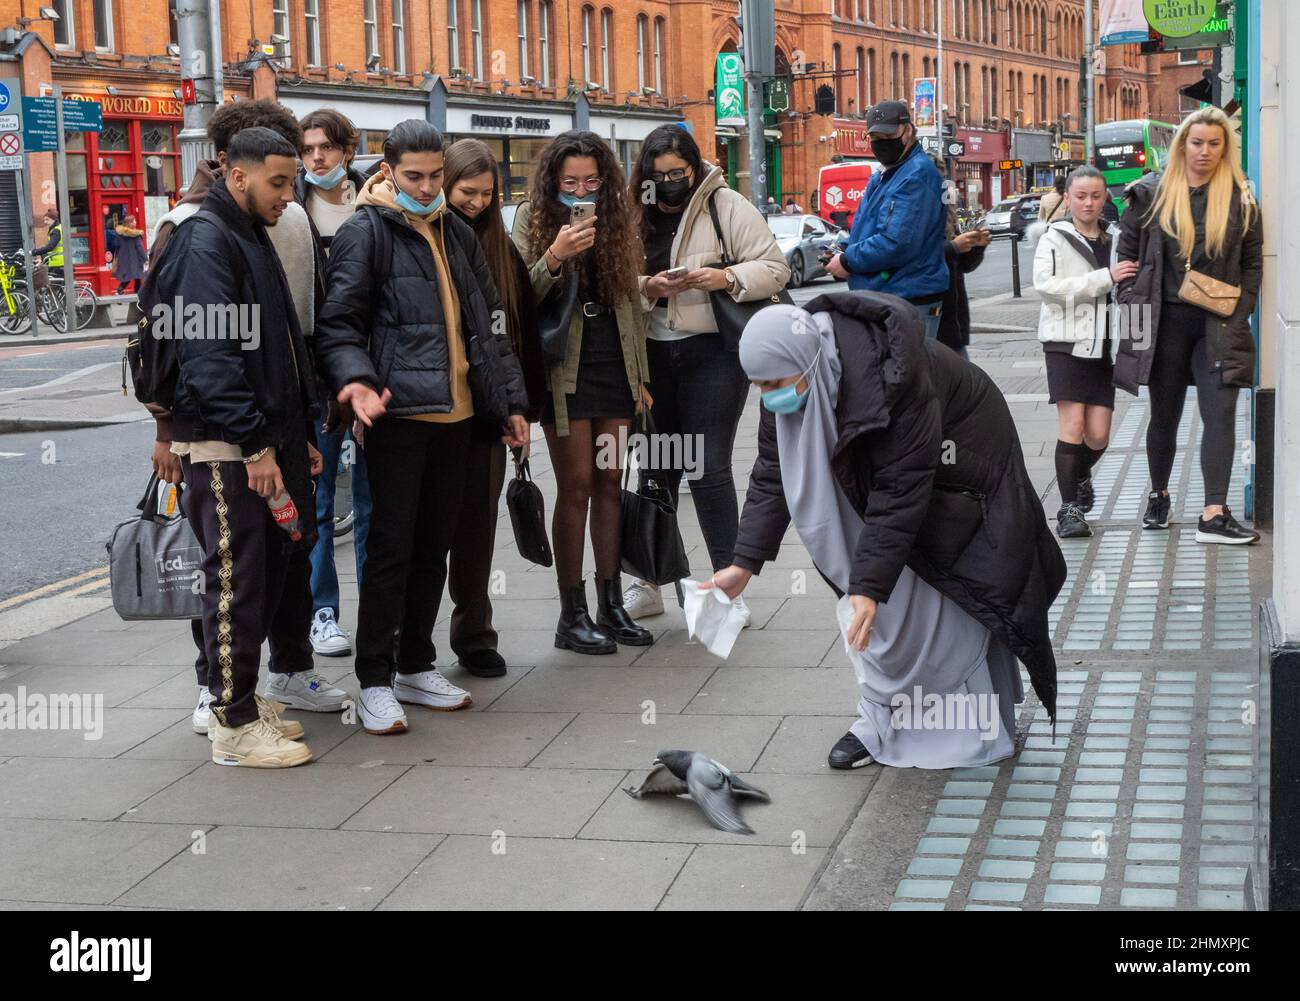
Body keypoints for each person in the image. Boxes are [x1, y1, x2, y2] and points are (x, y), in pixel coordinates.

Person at [705, 296, 1065, 769]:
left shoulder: (892, 376)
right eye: (759, 387)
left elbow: (900, 489)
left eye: (774, 384)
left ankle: (967, 721)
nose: (769, 397)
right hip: (892, 476)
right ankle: (882, 719)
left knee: (943, 595)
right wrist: (743, 563)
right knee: (884, 611)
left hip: (962, 467)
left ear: (807, 360)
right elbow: (772, 471)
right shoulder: (802, 368)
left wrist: (870, 587)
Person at [315, 119, 529, 735]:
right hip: (399, 416)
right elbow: (339, 323)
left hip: (459, 417)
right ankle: (375, 679)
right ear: (388, 171)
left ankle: (414, 663)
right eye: (415, 176)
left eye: (436, 175)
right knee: (390, 550)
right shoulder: (366, 232)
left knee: (434, 547)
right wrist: (355, 380)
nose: (428, 186)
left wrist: (509, 402)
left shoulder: (456, 231)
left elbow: (490, 323)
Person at [145, 99, 347, 728]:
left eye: (293, 183)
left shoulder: (250, 231)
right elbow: (209, 362)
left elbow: (285, 340)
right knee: (235, 581)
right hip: (230, 447)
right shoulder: (205, 239)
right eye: (280, 183)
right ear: (237, 174)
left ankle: (257, 696)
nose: (290, 195)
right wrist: (258, 448)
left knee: (274, 568)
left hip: (273, 434)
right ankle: (231, 717)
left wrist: (297, 433)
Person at [621, 124, 789, 622]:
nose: (670, 182)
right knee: (656, 466)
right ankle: (649, 580)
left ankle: (726, 585)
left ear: (695, 167)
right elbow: (609, 279)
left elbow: (776, 269)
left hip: (713, 352)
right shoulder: (633, 212)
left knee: (708, 468)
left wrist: (726, 277)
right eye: (660, 175)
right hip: (649, 354)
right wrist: (647, 285)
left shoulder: (726, 205)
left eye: (680, 172)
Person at [511, 130, 653, 654]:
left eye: (591, 180)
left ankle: (611, 603)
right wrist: (554, 254)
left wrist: (639, 377)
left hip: (612, 362)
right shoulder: (532, 216)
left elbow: (631, 303)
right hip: (563, 368)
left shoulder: (618, 217)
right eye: (571, 181)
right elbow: (520, 292)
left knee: (611, 480)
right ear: (553, 180)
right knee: (575, 485)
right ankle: (571, 615)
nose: (581, 189)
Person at [1115, 106, 1263, 545]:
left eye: (1214, 144)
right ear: (1182, 145)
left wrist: (1241, 309)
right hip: (1164, 324)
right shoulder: (1151, 193)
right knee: (1165, 415)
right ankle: (1158, 495)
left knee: (1220, 414)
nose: (1204, 151)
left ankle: (1213, 513)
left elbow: (1253, 262)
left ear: (1225, 148)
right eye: (1196, 143)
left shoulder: (1239, 197)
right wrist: (1128, 299)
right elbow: (1125, 255)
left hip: (1217, 323)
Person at [443, 138, 547, 677]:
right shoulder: (428, 238)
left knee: (476, 532)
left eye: (487, 193)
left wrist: (518, 409)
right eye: (468, 191)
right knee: (416, 535)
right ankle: (399, 642)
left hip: (485, 412)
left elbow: (518, 338)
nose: (478, 202)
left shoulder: (501, 250)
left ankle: (474, 635)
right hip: (428, 408)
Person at [295, 108, 374, 660]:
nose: (316, 158)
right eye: (308, 150)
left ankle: (377, 609)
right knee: (318, 503)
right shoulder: (292, 210)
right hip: (316, 378)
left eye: (325, 147)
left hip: (369, 370)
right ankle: (322, 613)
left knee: (373, 501)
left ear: (347, 150)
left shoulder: (374, 203)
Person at [1035, 165, 1138, 540]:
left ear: (1105, 197)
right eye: (1081, 196)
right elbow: (1047, 287)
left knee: (1097, 436)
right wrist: (1105, 278)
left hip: (1104, 347)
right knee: (1073, 426)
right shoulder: (1054, 237)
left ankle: (1078, 474)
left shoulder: (1117, 237)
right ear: (1069, 198)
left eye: (1096, 196)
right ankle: (1069, 510)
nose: (1089, 202)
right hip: (1064, 342)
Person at [826, 101, 949, 339]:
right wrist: (842, 249)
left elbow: (896, 242)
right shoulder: (887, 174)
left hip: (907, 298)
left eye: (888, 135)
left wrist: (848, 261)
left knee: (903, 373)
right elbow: (871, 230)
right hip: (889, 296)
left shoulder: (915, 176)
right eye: (876, 136)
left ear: (908, 130)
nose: (882, 142)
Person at [931, 155, 990, 359]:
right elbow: (913, 256)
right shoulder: (914, 213)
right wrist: (954, 247)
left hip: (953, 318)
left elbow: (962, 266)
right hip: (931, 316)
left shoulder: (947, 213)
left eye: (943, 180)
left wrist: (976, 246)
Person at [112, 213, 146, 293]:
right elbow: (139, 247)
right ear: (129, 223)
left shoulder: (119, 234)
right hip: (135, 258)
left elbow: (116, 245)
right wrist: (145, 258)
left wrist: (117, 256)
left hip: (123, 257)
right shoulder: (136, 234)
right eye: (133, 221)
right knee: (138, 275)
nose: (135, 222)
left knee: (127, 275)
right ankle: (137, 293)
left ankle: (120, 289)